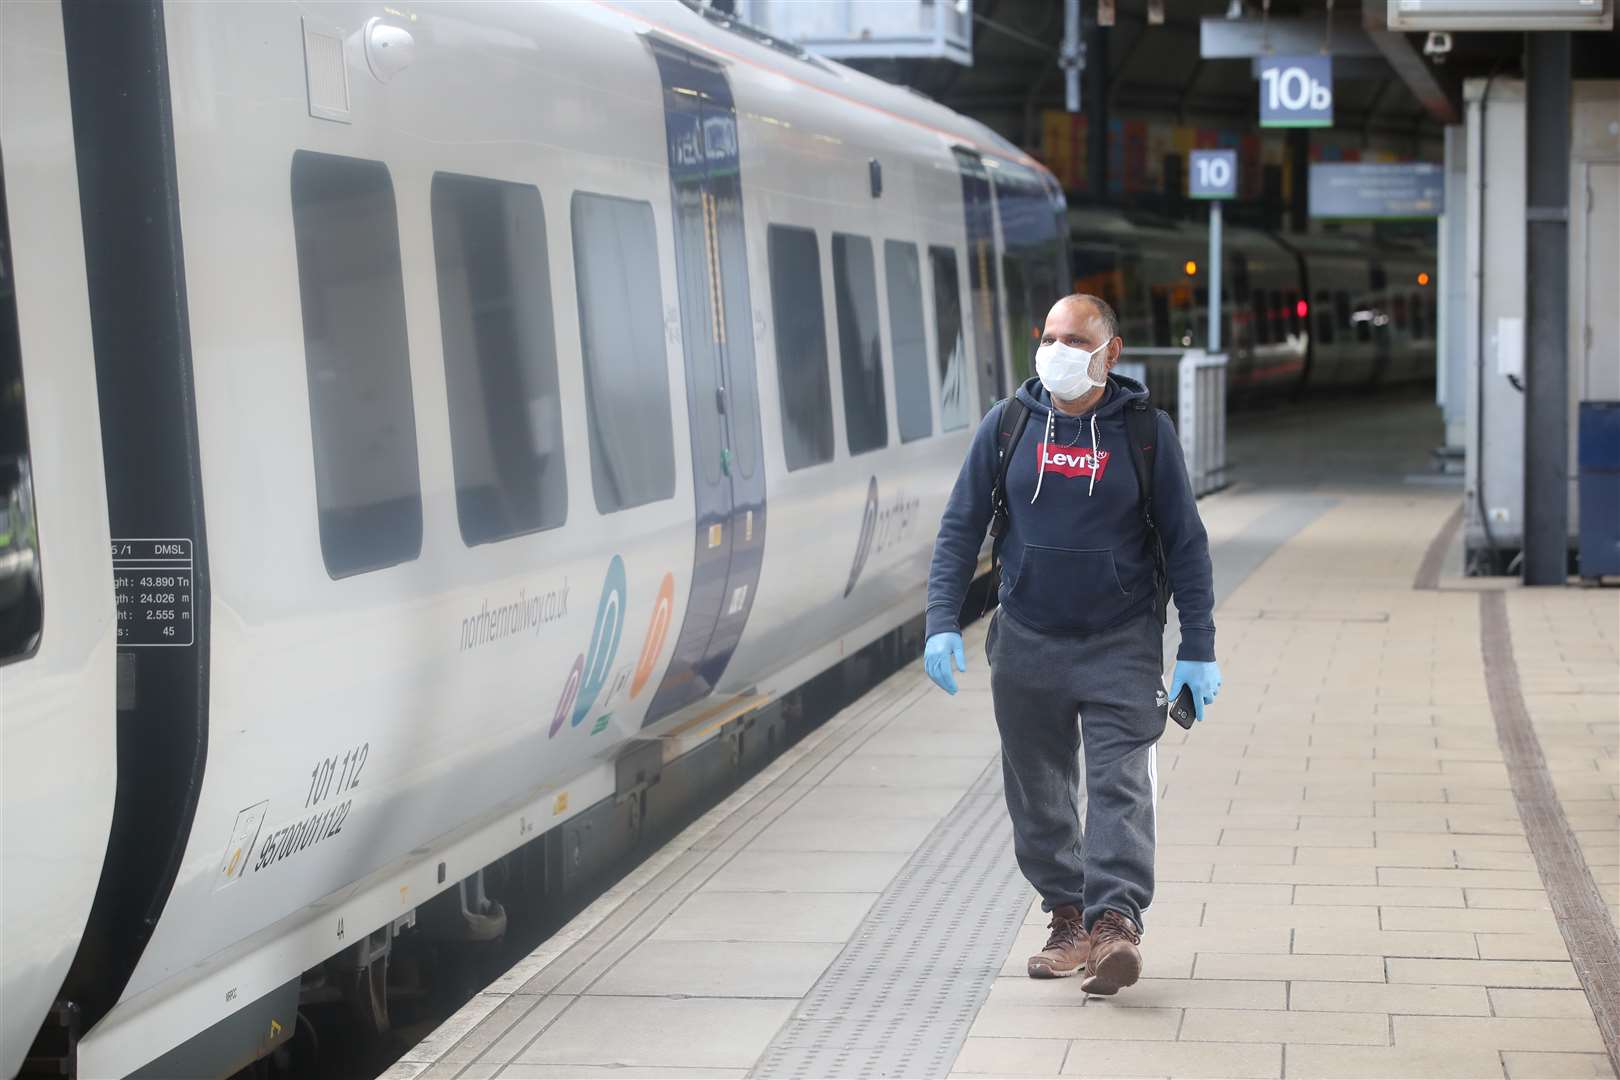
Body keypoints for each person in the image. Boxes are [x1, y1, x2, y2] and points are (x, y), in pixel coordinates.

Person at [922, 293, 1220, 996]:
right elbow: (960, 528)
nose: (1056, 348)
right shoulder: (1010, 425)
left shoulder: (1145, 432)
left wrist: (1198, 646)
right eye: (1049, 334)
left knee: (1119, 786)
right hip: (1027, 641)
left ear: (1109, 354)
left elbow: (1186, 544)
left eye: (1074, 338)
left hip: (1122, 641)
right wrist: (940, 619)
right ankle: (1068, 918)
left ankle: (1115, 921)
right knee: (1039, 790)